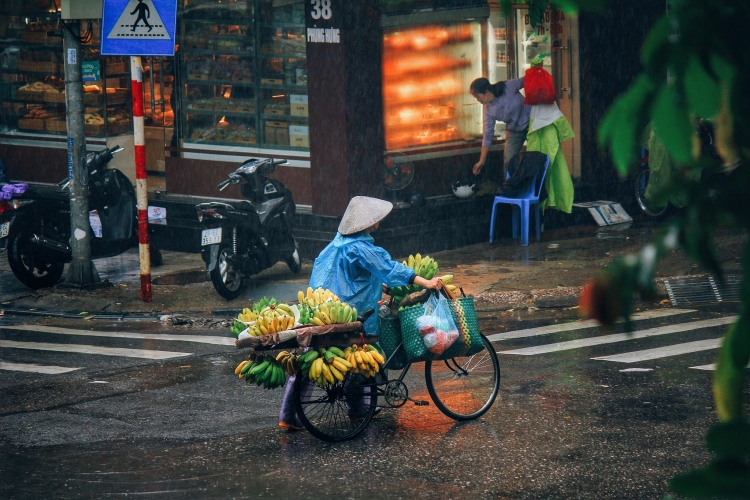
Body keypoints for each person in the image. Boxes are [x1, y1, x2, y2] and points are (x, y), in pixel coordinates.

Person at [279, 196, 443, 431]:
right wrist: (424, 282)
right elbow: (389, 268)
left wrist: (382, 286)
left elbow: (350, 274)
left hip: (320, 310)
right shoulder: (361, 247)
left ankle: (291, 415)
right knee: (364, 356)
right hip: (351, 312)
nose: (377, 224)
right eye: (375, 221)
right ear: (366, 224)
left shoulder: (336, 244)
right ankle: (359, 409)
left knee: (315, 359)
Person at [470, 77, 531, 178]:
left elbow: (528, 79)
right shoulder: (488, 110)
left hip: (532, 124)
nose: (478, 100)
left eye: (478, 96)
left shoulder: (508, 86)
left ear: (486, 92)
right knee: (508, 161)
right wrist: (482, 160)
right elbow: (487, 135)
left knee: (537, 155)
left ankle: (540, 186)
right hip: (514, 130)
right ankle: (509, 189)